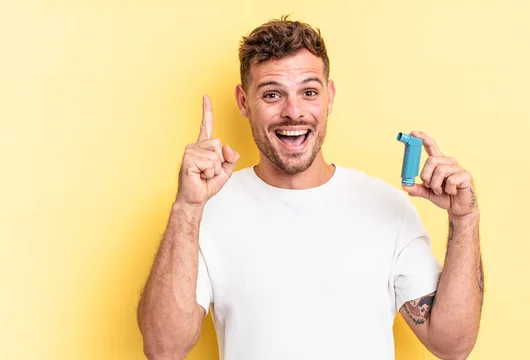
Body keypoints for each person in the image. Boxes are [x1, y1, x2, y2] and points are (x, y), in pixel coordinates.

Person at [137, 16, 484, 360]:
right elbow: (163, 349)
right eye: (272, 94)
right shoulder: (207, 211)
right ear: (244, 103)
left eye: (309, 92)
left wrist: (465, 219)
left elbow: (451, 345)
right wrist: (186, 208)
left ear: (329, 97)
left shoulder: (387, 207)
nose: (294, 112)